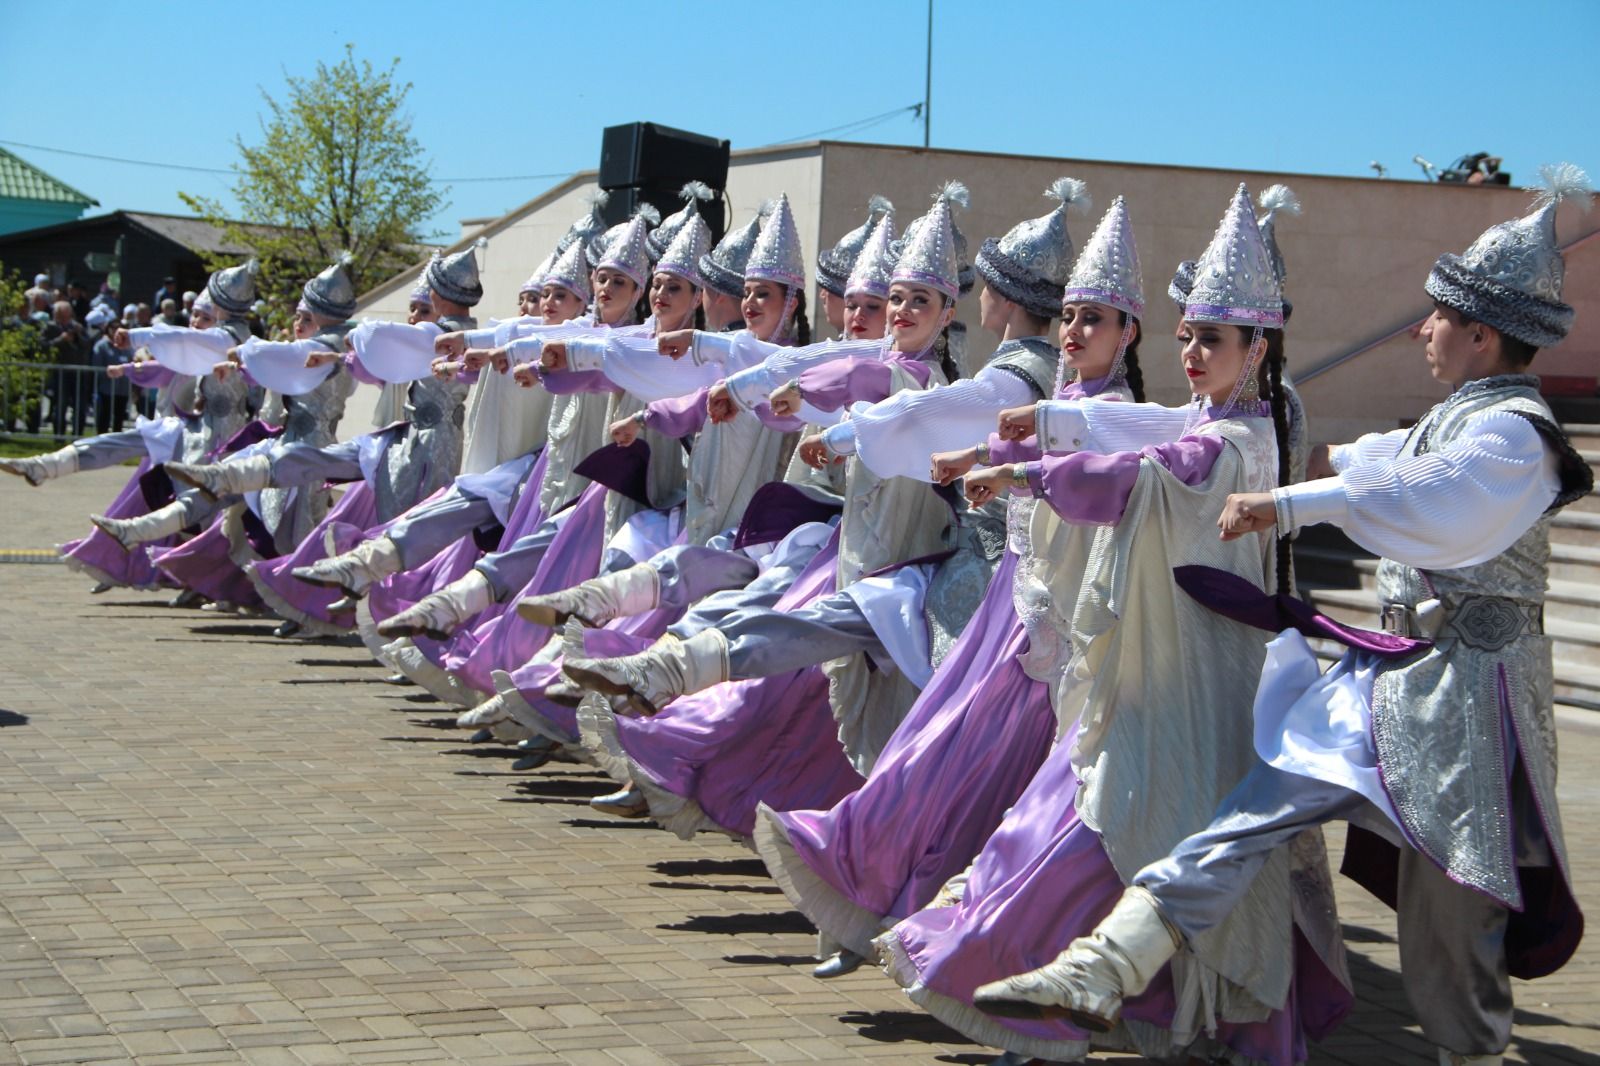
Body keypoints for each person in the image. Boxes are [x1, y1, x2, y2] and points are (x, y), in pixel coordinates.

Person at [977, 165, 1594, 1066]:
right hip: (1392, 676)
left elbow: (1432, 495)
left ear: (1480, 333)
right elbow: (1371, 458)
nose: (1422, 329)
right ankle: (1106, 965)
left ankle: (1473, 1052)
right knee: (1252, 810)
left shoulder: (1513, 437)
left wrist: (1295, 500)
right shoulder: (1456, 420)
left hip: (1471, 700)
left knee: (1449, 943)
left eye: (1437, 317)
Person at [872, 185, 1349, 1065]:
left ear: (1259, 347)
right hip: (1151, 664)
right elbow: (1123, 436)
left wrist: (1025, 473)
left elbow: (1142, 470)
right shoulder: (1199, 419)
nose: (1193, 349)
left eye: (1215, 337)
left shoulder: (1237, 441)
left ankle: (1029, 995)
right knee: (1081, 822)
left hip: (1199, 676)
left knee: (1109, 835)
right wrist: (1017, 452)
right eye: (1191, 333)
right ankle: (1027, 989)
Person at [87, 305, 133, 434]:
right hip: (106, 389)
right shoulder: (102, 345)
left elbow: (132, 359)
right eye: (113, 328)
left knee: (118, 420)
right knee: (104, 419)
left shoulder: (127, 346)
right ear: (108, 329)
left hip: (122, 389)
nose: (116, 331)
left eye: (120, 328)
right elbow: (97, 366)